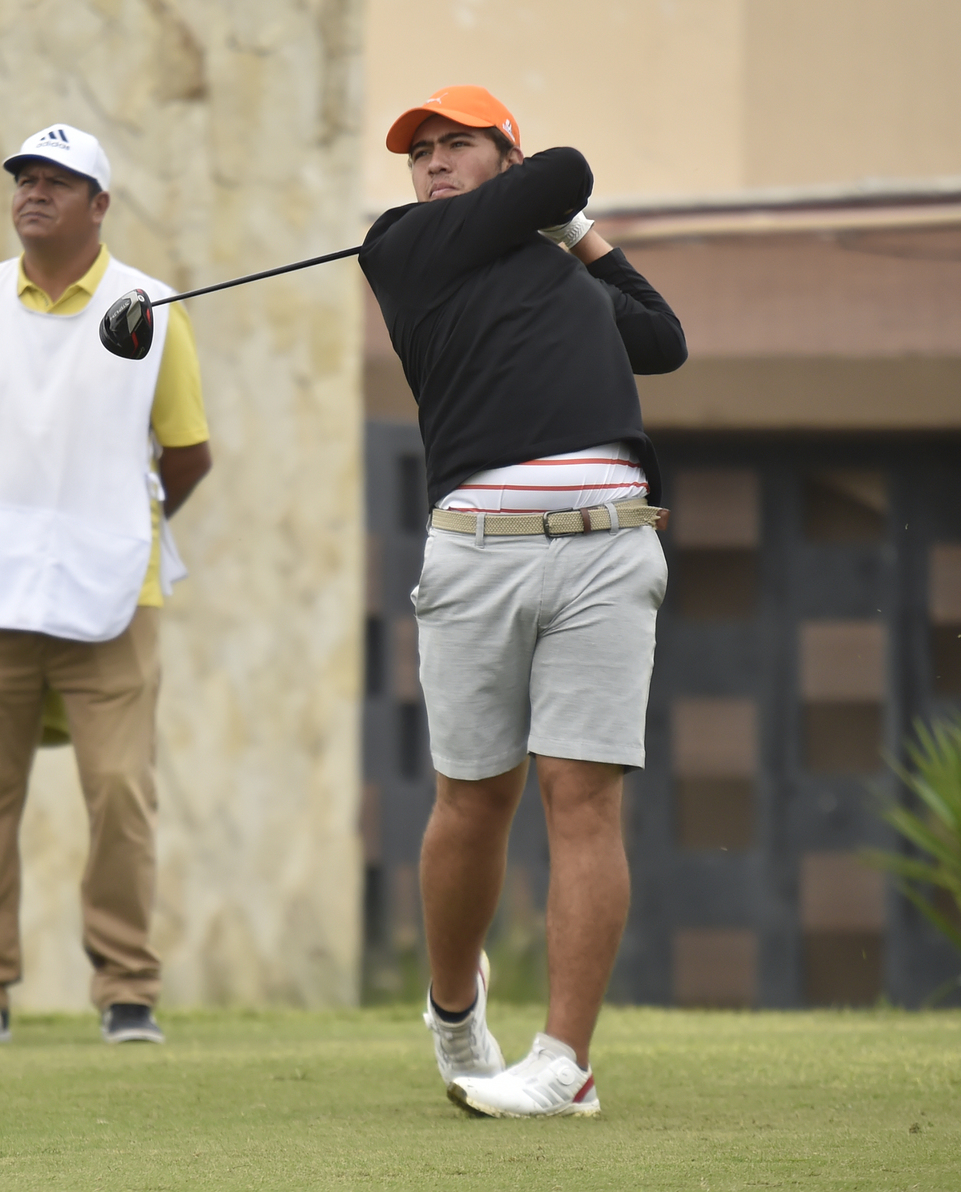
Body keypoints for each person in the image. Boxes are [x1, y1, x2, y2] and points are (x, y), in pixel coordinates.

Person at [359, 87, 686, 1116]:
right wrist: (556, 205)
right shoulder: (401, 245)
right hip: (476, 554)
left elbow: (661, 338)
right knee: (473, 801)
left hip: (608, 548)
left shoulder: (558, 277)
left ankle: (563, 1062)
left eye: (456, 144)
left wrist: (577, 239)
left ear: (503, 155)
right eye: (420, 150)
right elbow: (568, 168)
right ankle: (455, 1010)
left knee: (581, 798)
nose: (432, 162)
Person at [0, 123, 211, 1045]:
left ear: (100, 204)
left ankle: (127, 990)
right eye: (25, 179)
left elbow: (188, 453)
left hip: (115, 593)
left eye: (58, 181)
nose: (34, 193)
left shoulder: (146, 307)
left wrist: (118, 527)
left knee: (120, 792)